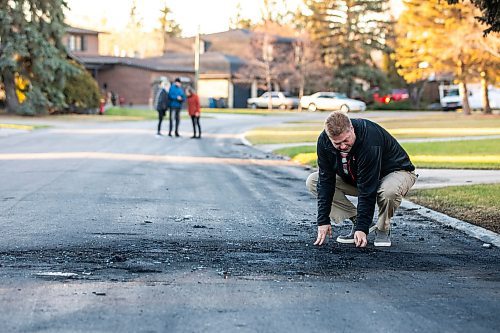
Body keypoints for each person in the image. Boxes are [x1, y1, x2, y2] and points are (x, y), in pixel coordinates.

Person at [306, 111, 417, 248]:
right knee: (313, 181)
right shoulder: (324, 141)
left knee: (389, 191)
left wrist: (361, 229)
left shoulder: (369, 139)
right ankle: (358, 219)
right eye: (337, 143)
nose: (342, 146)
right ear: (329, 138)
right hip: (358, 177)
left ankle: (383, 228)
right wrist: (323, 221)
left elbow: (367, 189)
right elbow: (325, 181)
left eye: (346, 140)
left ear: (351, 129)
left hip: (396, 172)